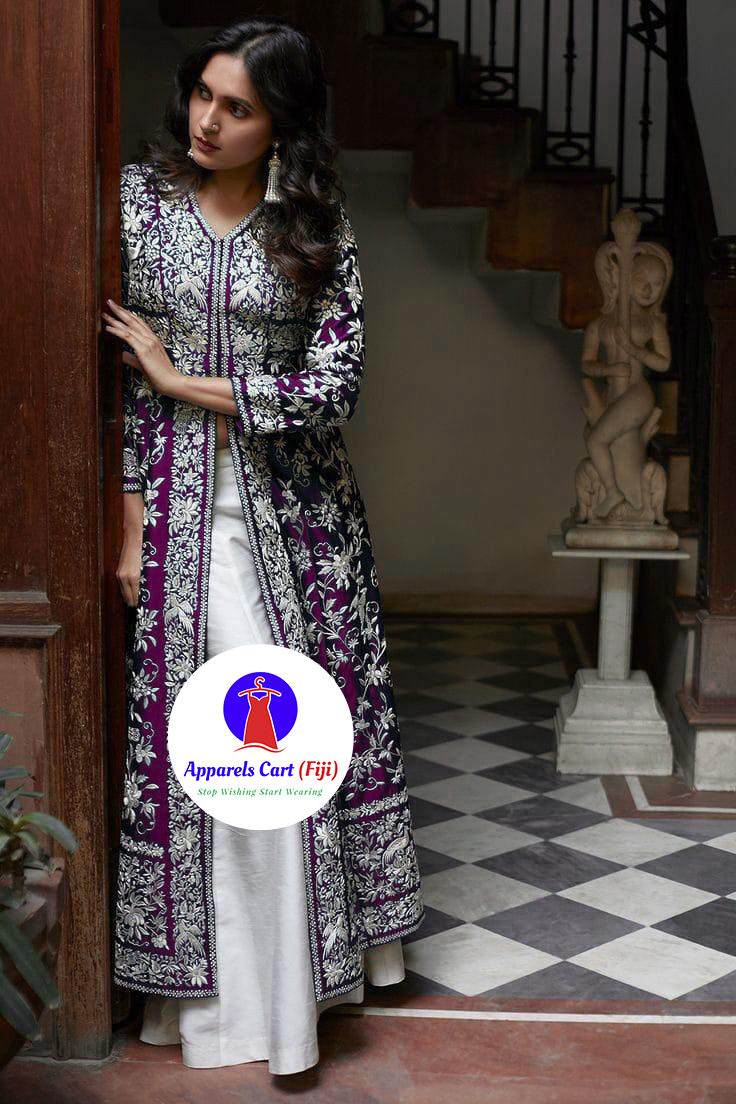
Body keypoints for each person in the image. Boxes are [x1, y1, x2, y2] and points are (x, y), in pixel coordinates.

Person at [104, 16, 424, 1076]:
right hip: (176, 520)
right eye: (202, 94)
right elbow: (110, 384)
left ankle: (286, 1005)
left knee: (274, 743)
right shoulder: (137, 205)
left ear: (280, 122)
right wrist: (130, 523)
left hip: (298, 530)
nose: (208, 119)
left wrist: (179, 378)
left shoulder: (312, 228)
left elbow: (333, 386)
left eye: (236, 107)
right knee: (205, 748)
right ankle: (207, 994)